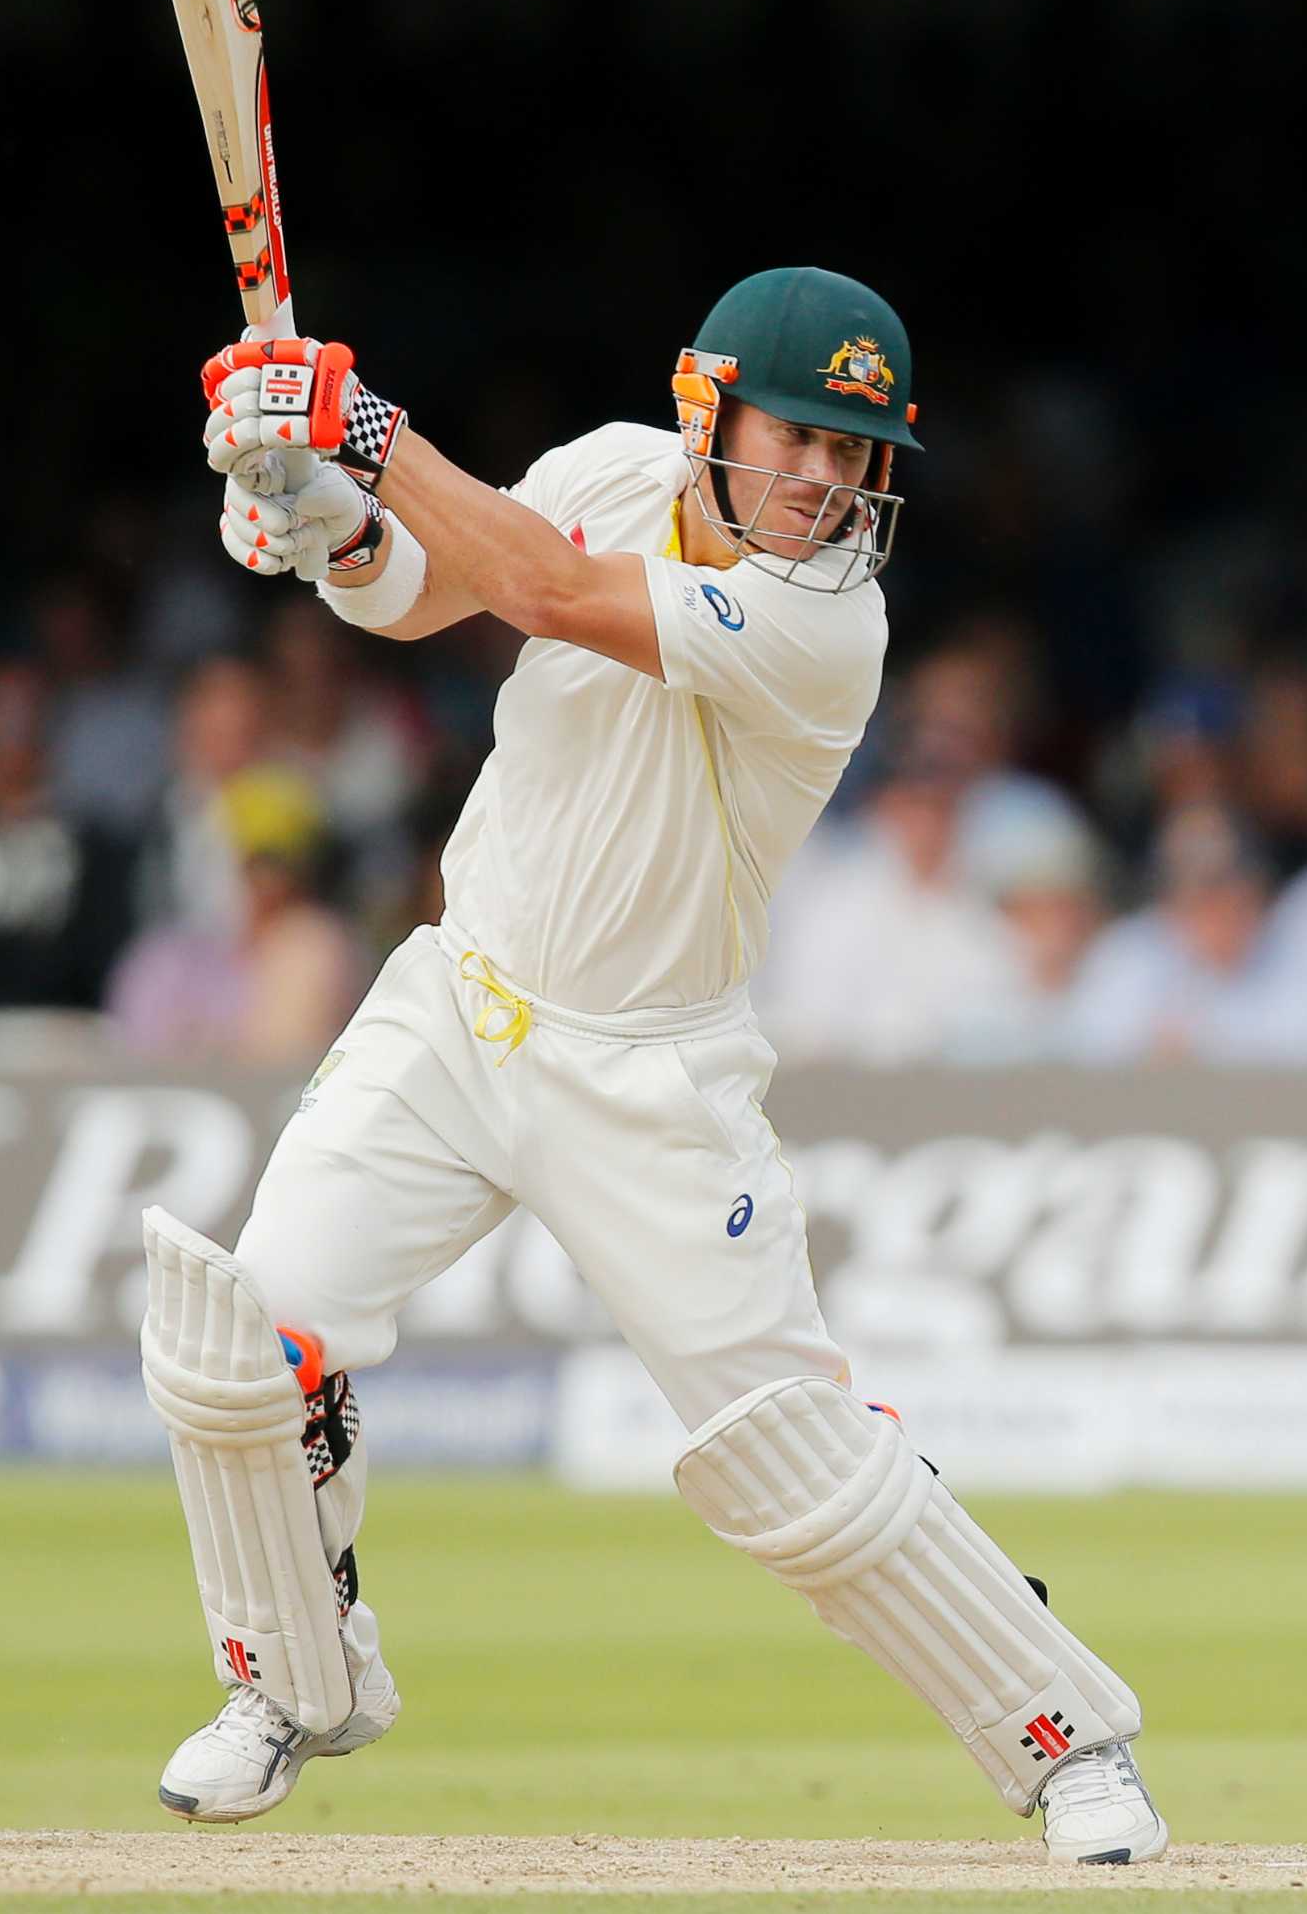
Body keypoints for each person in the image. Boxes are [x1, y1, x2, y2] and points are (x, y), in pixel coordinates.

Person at [151, 266, 1165, 1860]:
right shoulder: (608, 467)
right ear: (706, 408)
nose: (826, 480)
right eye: (798, 437)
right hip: (458, 1002)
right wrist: (325, 514)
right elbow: (430, 590)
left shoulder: (832, 625)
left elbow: (552, 593)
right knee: (242, 1343)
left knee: (791, 1466)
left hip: (652, 1078)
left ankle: (1069, 1739)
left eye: (856, 453)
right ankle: (292, 1679)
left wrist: (362, 426)